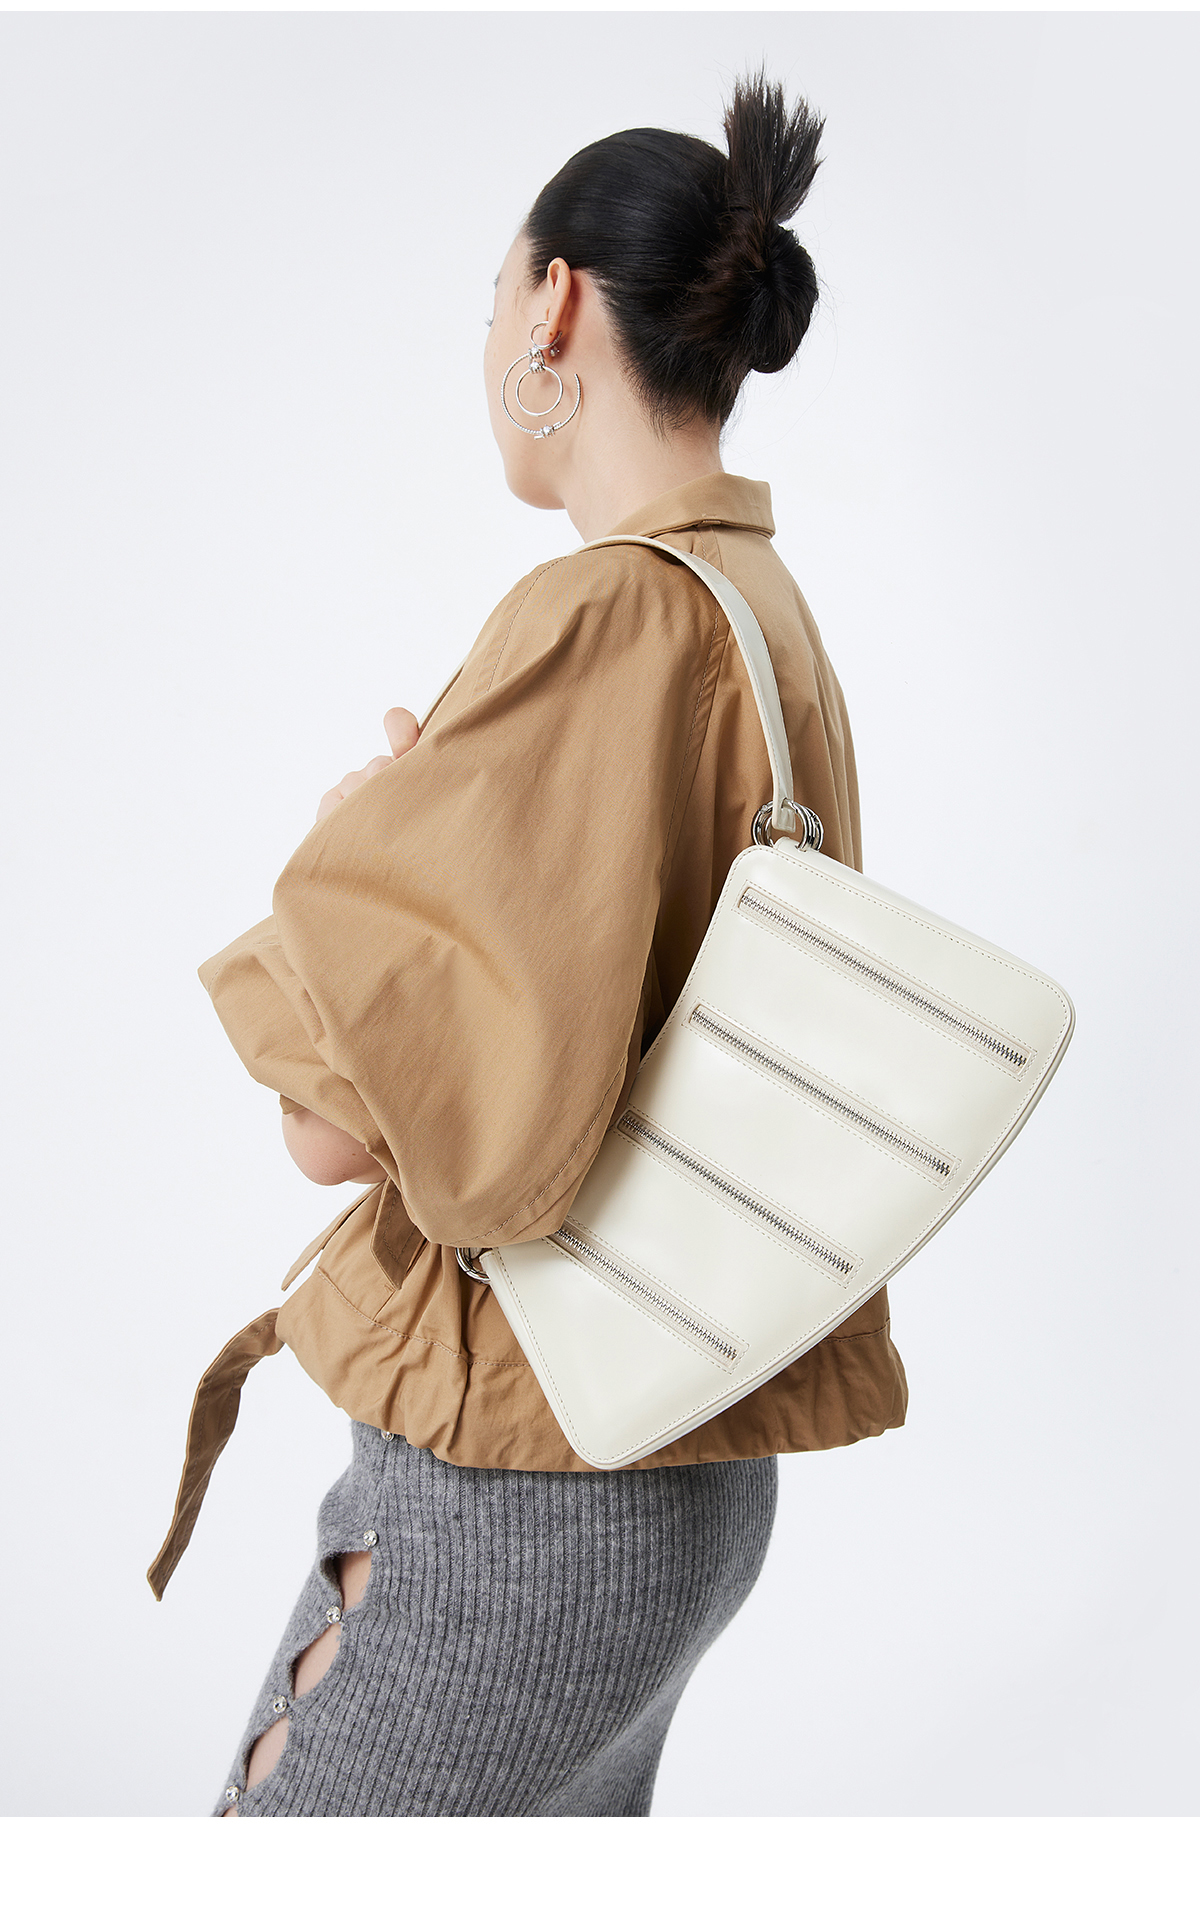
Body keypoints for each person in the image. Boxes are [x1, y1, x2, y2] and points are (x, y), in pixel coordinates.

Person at [149, 71, 908, 1818]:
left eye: (491, 296)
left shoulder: (599, 613)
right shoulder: (765, 617)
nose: (490, 335)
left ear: (555, 303)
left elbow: (339, 1132)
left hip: (517, 1491)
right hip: (692, 1460)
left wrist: (367, 839)